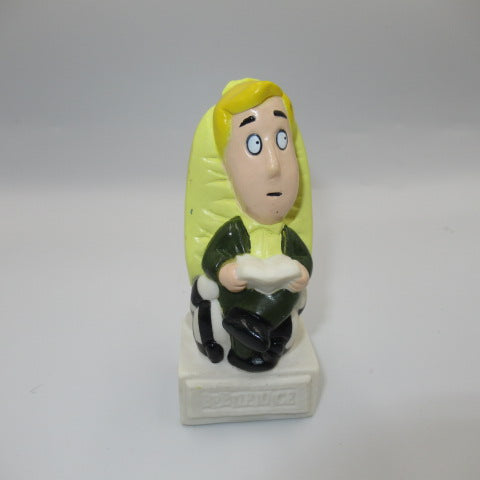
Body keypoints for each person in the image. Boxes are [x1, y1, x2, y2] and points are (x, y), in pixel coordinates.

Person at [185, 79, 313, 372]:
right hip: (238, 299)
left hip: (274, 307)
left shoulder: (286, 235)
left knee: (291, 298)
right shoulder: (235, 231)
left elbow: (303, 259)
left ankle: (260, 339)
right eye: (254, 145)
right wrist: (225, 271)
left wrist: (302, 273)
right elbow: (213, 258)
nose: (273, 165)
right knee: (211, 289)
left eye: (282, 141)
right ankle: (247, 339)